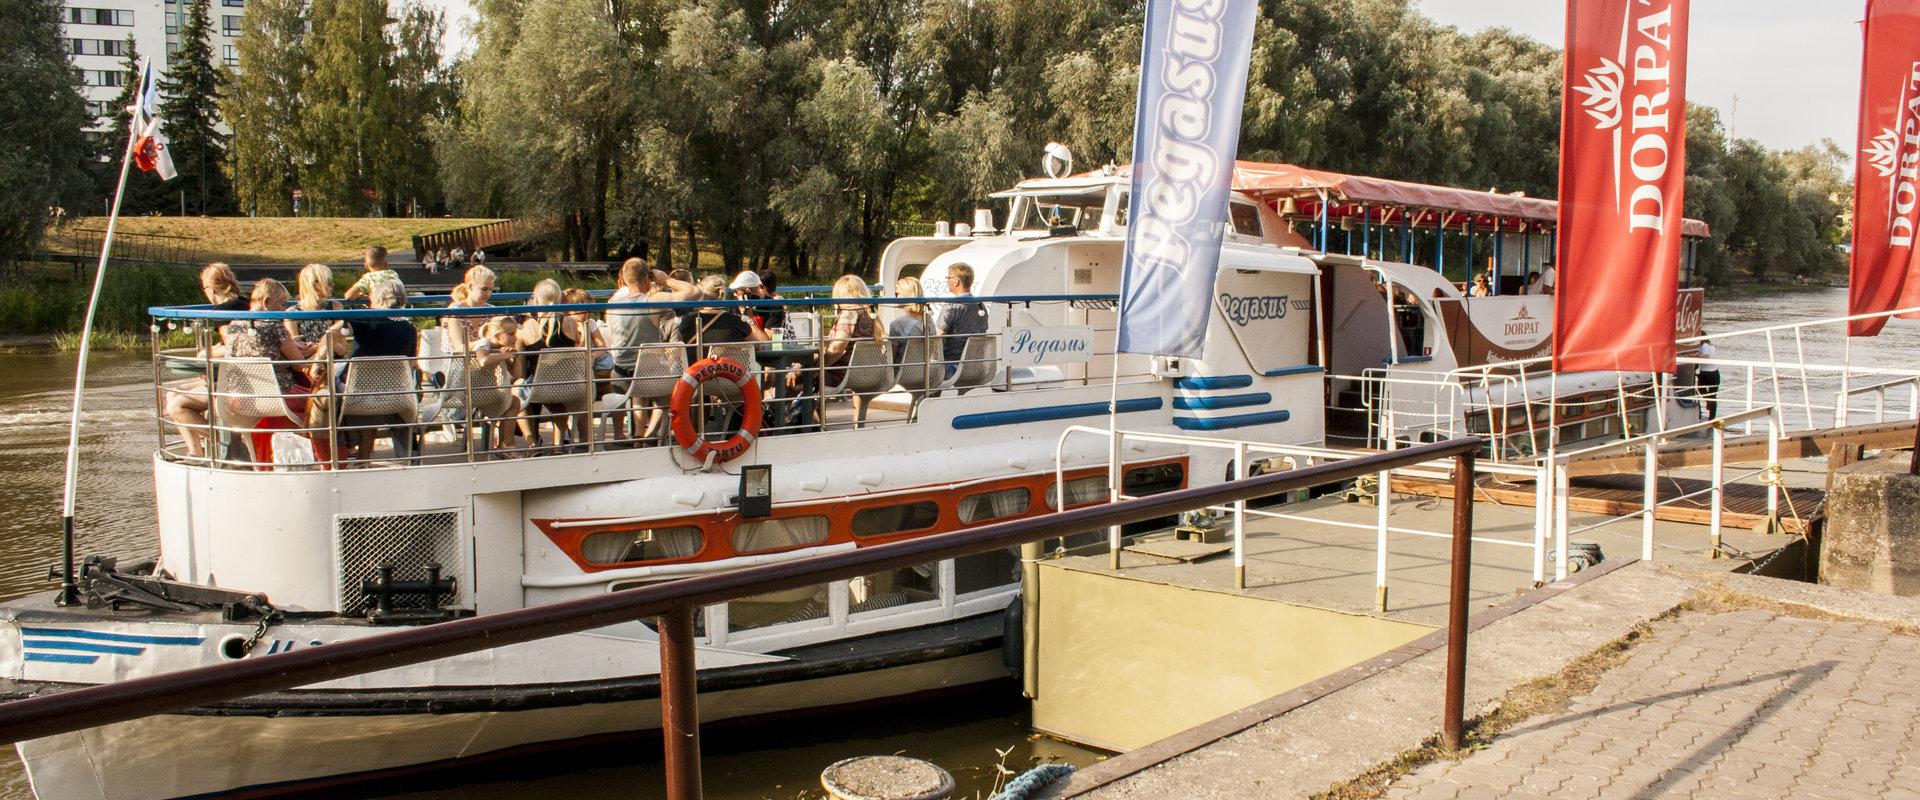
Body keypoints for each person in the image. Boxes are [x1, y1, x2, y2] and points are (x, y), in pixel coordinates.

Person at [160, 263, 251, 459]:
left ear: (210, 289)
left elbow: (234, 347)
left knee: (175, 407)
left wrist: (207, 353)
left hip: (229, 381)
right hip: (236, 376)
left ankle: (229, 443)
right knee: (172, 393)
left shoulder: (223, 312)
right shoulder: (245, 303)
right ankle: (195, 450)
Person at [224, 279, 318, 468]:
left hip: (242, 397)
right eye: (282, 303)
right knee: (324, 401)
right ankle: (328, 455)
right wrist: (316, 349)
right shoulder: (274, 326)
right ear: (267, 303)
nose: (284, 309)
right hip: (278, 396)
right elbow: (299, 365)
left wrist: (292, 344)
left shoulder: (234, 325)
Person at [339, 282, 420, 461]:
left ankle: (349, 451)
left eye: (371, 298)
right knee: (382, 396)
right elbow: (412, 364)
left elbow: (340, 331)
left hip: (359, 394)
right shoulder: (409, 329)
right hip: (398, 395)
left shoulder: (362, 319)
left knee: (330, 387)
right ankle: (407, 455)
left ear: (380, 300)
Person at [517, 279, 589, 447]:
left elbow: (521, 363)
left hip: (539, 388)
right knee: (558, 404)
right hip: (568, 385)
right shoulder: (571, 323)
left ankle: (532, 442)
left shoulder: (529, 326)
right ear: (560, 298)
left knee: (517, 393)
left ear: (535, 299)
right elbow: (578, 344)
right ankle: (558, 443)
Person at [936, 263, 988, 378]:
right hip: (975, 366)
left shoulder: (952, 306)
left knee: (921, 368)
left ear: (956, 281)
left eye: (948, 278)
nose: (946, 281)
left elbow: (938, 338)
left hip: (952, 367)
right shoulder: (981, 306)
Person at [289, 263, 346, 357]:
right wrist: (328, 346)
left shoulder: (335, 307)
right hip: (307, 365)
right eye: (328, 282)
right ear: (315, 284)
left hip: (333, 363)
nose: (333, 285)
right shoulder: (292, 313)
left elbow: (342, 348)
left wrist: (314, 349)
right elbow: (298, 353)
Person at [442, 265, 497, 352]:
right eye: (484, 289)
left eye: (491, 289)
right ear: (470, 287)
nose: (488, 294)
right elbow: (459, 347)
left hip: (483, 358)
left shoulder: (492, 310)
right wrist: (486, 341)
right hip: (457, 360)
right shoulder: (455, 311)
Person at [887, 275, 930, 362]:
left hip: (901, 373)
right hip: (925, 372)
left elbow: (890, 358)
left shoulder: (897, 324)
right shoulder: (929, 320)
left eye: (897, 293)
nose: (895, 297)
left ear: (907, 294)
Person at [1696, 339, 1721, 419]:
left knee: (1701, 389)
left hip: (1705, 373)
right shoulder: (1711, 346)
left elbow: (1706, 356)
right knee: (1713, 395)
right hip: (1715, 373)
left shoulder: (1704, 345)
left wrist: (1696, 356)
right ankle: (1712, 418)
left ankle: (1708, 402)